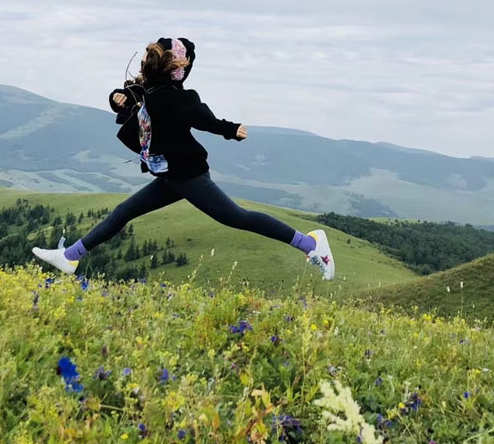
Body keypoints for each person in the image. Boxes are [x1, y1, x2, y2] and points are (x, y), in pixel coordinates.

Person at [32, 37, 335, 280]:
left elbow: (204, 119)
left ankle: (312, 245)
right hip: (169, 175)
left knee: (237, 217)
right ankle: (71, 256)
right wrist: (116, 98)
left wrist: (231, 130)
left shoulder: (179, 98)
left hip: (188, 176)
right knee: (124, 211)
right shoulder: (148, 91)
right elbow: (127, 102)